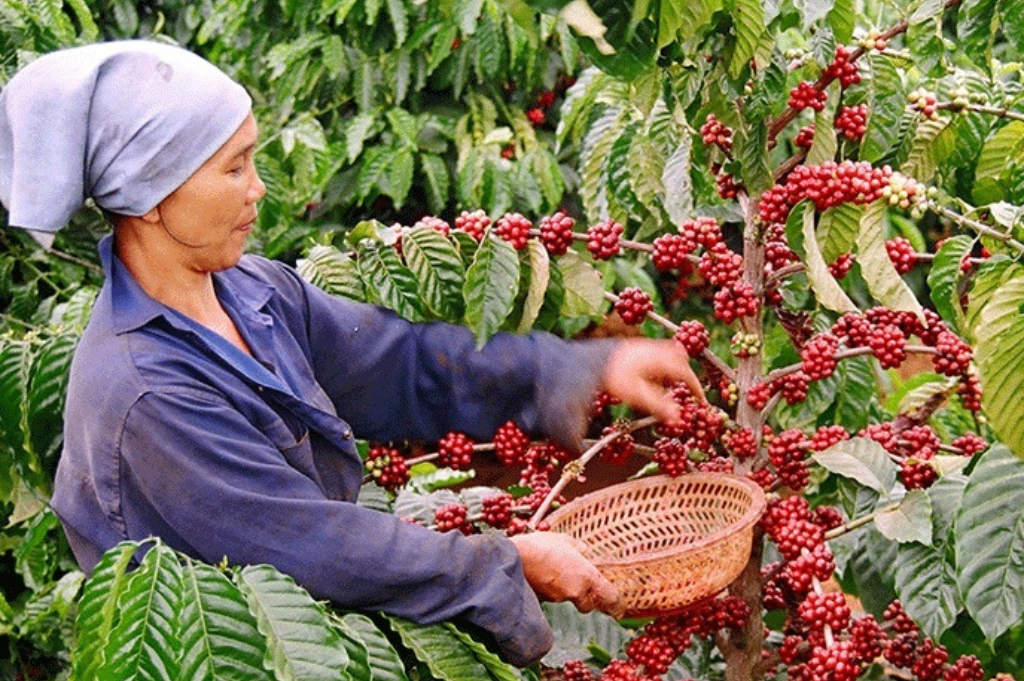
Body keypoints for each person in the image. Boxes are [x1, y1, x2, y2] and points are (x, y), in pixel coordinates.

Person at [0, 41, 704, 666]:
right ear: (153, 196)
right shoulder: (143, 392)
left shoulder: (252, 289)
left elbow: (396, 364)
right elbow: (308, 545)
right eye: (234, 168)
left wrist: (576, 367)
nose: (257, 189)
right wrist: (508, 562)